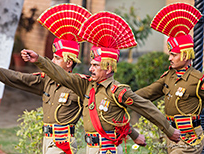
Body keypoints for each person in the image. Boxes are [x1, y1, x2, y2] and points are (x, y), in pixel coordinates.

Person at [21, 11, 180, 154]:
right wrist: (40, 61)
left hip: (108, 150)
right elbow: (62, 76)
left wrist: (169, 130)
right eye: (91, 65)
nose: (90, 69)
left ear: (109, 67)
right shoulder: (86, 85)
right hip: (90, 148)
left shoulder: (118, 91)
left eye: (95, 65)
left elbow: (147, 108)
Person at [0, 3, 90, 154]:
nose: (53, 61)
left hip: (63, 145)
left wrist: (39, 60)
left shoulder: (78, 84)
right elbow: (17, 78)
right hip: (47, 141)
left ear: (69, 62)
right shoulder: (47, 81)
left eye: (56, 58)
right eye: (52, 58)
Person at [134, 3, 204, 154]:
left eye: (173, 55)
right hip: (172, 137)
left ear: (185, 55)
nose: (169, 58)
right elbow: (147, 93)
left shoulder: (198, 79)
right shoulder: (169, 76)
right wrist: (122, 96)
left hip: (190, 139)